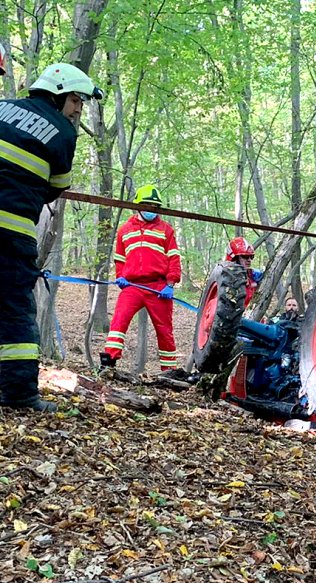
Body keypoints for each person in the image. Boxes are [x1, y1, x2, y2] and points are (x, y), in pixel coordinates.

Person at [0, 62, 102, 411]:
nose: (78, 110)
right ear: (58, 96)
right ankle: (20, 396)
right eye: (76, 101)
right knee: (13, 313)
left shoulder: (2, 107)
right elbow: (56, 188)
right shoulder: (62, 133)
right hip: (11, 233)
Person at [100, 185, 181, 371]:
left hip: (159, 287)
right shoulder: (125, 230)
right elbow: (120, 259)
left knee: (164, 330)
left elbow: (174, 258)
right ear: (137, 206)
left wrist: (170, 283)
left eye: (154, 206)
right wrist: (120, 277)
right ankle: (108, 363)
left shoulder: (166, 230)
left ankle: (169, 372)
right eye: (146, 205)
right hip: (132, 286)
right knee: (118, 321)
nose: (150, 209)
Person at [225, 237, 263, 307]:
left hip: (249, 313)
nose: (249, 260)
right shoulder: (224, 279)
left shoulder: (254, 275)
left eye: (251, 257)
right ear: (235, 258)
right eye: (245, 257)